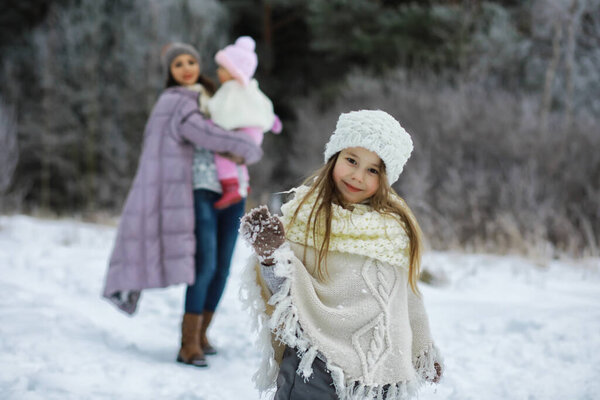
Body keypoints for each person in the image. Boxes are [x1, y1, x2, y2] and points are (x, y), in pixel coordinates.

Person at [239, 110, 443, 399]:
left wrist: (422, 348)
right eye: (351, 160)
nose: (358, 176)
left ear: (386, 178)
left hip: (383, 374)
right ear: (335, 156)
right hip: (316, 366)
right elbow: (286, 293)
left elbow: (407, 296)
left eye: (373, 170)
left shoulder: (395, 228)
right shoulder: (304, 218)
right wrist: (272, 256)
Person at [103, 42, 263, 368]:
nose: (187, 67)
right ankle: (187, 344)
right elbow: (206, 134)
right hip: (201, 191)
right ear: (170, 73)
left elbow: (249, 118)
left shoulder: (216, 96)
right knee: (204, 265)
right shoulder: (175, 101)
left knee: (222, 267)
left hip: (236, 189)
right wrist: (249, 149)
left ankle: (203, 333)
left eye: (191, 61)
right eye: (178, 64)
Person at [207, 36, 282, 210]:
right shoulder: (252, 89)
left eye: (222, 68)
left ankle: (231, 185)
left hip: (240, 135)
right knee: (238, 159)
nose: (218, 72)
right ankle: (243, 182)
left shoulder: (229, 89)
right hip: (254, 136)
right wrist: (274, 123)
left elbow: (217, 109)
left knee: (222, 154)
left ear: (234, 71)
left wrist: (209, 123)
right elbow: (265, 106)